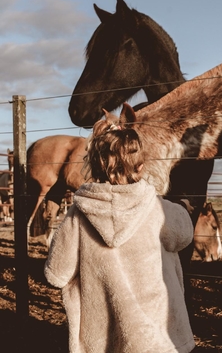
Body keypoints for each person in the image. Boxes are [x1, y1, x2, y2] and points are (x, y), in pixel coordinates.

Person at [44, 118, 195, 353]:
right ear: (141, 166)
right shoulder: (161, 210)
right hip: (158, 338)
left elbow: (56, 274)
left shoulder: (77, 216)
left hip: (103, 341)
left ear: (94, 165)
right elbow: (183, 236)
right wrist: (183, 207)